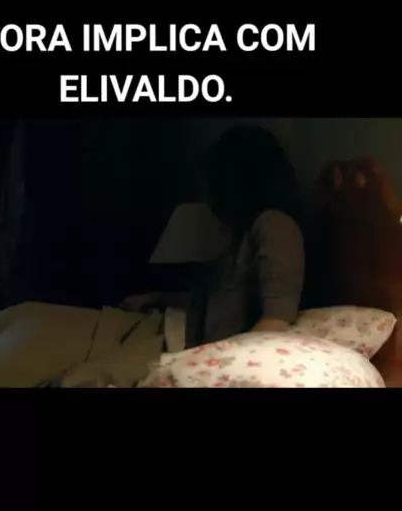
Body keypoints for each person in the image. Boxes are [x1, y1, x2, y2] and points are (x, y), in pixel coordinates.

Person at [121, 125, 305, 347]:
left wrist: (213, 360)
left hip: (205, 353)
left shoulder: (275, 225)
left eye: (217, 183)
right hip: (181, 341)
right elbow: (212, 303)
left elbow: (276, 321)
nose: (212, 197)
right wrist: (156, 298)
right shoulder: (242, 235)